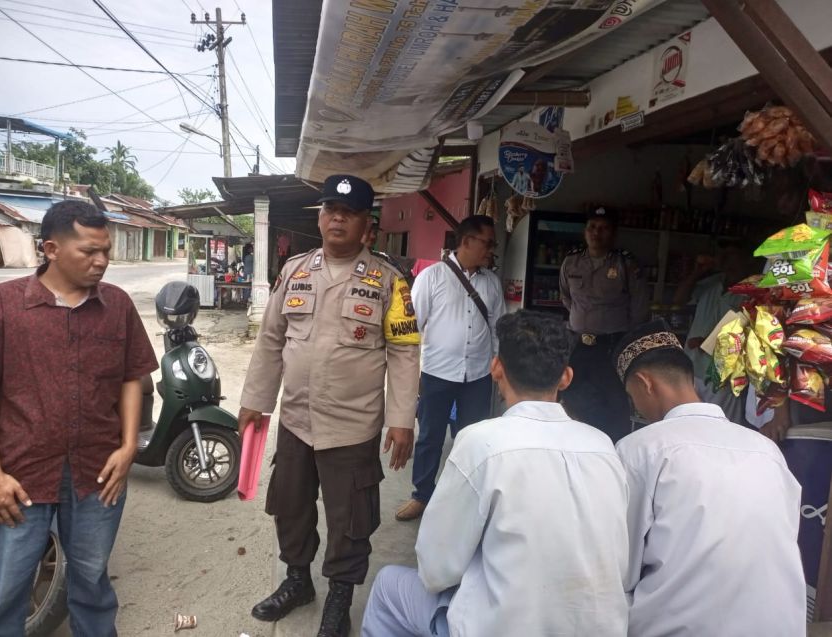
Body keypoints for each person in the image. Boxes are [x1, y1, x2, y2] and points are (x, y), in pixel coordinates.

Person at [362, 311, 629, 637]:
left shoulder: (481, 443)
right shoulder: (603, 447)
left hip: (501, 627)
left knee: (388, 584)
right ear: (566, 377)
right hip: (599, 628)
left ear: (496, 368)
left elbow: (435, 570)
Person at [238, 174, 421, 637]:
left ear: (367, 227)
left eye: (349, 213)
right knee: (290, 506)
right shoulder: (295, 270)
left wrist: (401, 419)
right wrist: (256, 401)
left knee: (350, 520)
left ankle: (339, 600)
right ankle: (298, 581)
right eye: (329, 210)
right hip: (297, 420)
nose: (337, 218)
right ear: (320, 218)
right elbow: (271, 340)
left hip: (353, 427)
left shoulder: (390, 283)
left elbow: (404, 353)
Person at [0, 200, 158, 636]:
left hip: (98, 472)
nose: (101, 262)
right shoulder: (2, 304)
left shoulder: (116, 305)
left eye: (106, 251)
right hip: (20, 473)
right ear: (51, 249)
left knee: (92, 581)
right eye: (89, 252)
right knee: (6, 589)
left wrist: (128, 446)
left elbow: (132, 377)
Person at [612, 320, 806, 637]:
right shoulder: (766, 450)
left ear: (645, 383)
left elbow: (619, 565)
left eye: (632, 395)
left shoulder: (641, 450)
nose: (636, 406)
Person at [395, 215, 505, 522]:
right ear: (467, 241)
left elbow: (497, 328)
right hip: (437, 373)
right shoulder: (431, 277)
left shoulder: (492, 283)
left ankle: (467, 499)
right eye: (488, 243)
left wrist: (497, 364)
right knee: (430, 435)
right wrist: (410, 374)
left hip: (479, 375)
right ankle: (422, 495)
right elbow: (412, 329)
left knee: (472, 438)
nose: (491, 250)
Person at [559, 206, 649, 441]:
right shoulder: (571, 262)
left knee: (613, 402)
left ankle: (612, 449)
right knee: (572, 397)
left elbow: (639, 307)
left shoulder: (625, 264)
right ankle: (574, 445)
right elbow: (567, 298)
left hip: (612, 345)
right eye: (592, 227)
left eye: (603, 228)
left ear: (613, 233)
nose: (596, 233)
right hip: (578, 344)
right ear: (585, 231)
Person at [673, 242, 751, 424]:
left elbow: (751, 333)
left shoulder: (752, 292)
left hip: (724, 374)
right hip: (692, 367)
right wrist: (697, 272)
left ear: (746, 260)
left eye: (732, 257)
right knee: (687, 423)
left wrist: (709, 342)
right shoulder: (712, 283)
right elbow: (678, 300)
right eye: (723, 256)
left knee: (721, 426)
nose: (726, 261)